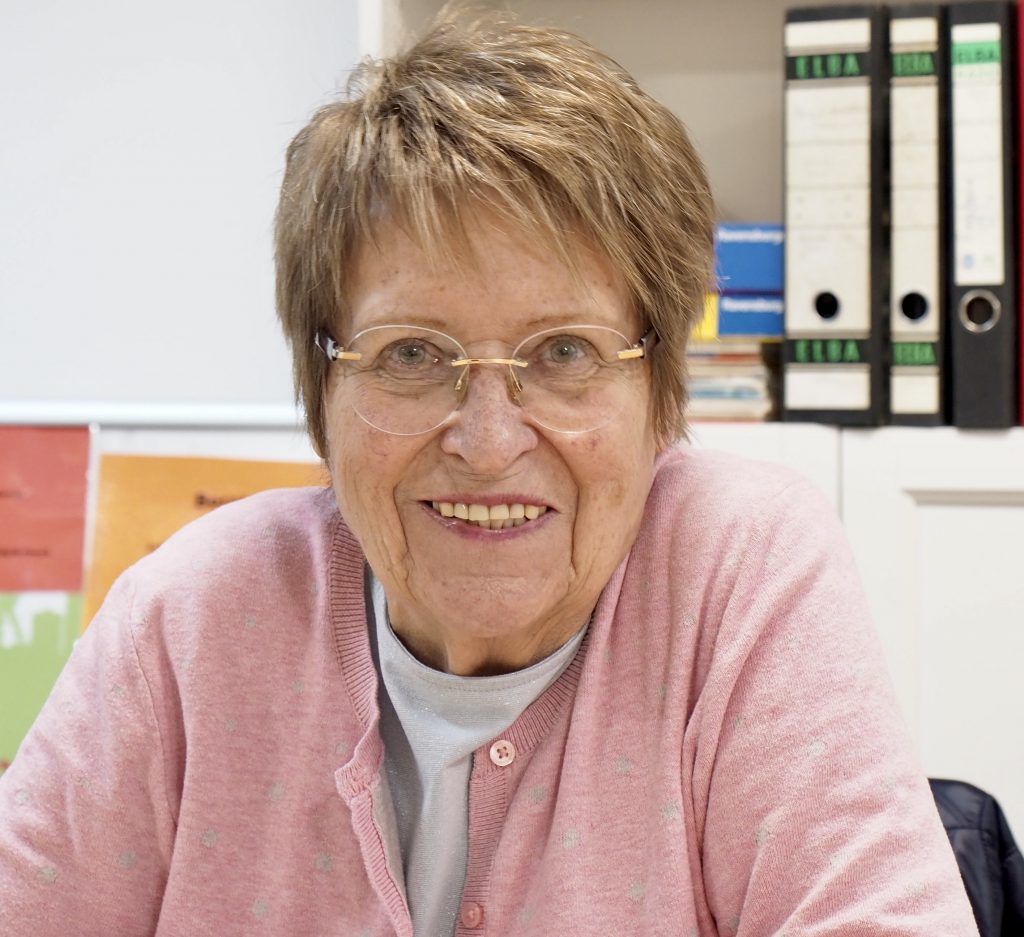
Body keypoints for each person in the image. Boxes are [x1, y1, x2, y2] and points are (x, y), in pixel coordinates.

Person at [0, 9, 978, 937]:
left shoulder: (739, 569)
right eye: (412, 354)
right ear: (321, 388)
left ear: (660, 396)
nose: (488, 439)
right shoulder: (189, 619)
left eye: (564, 352)